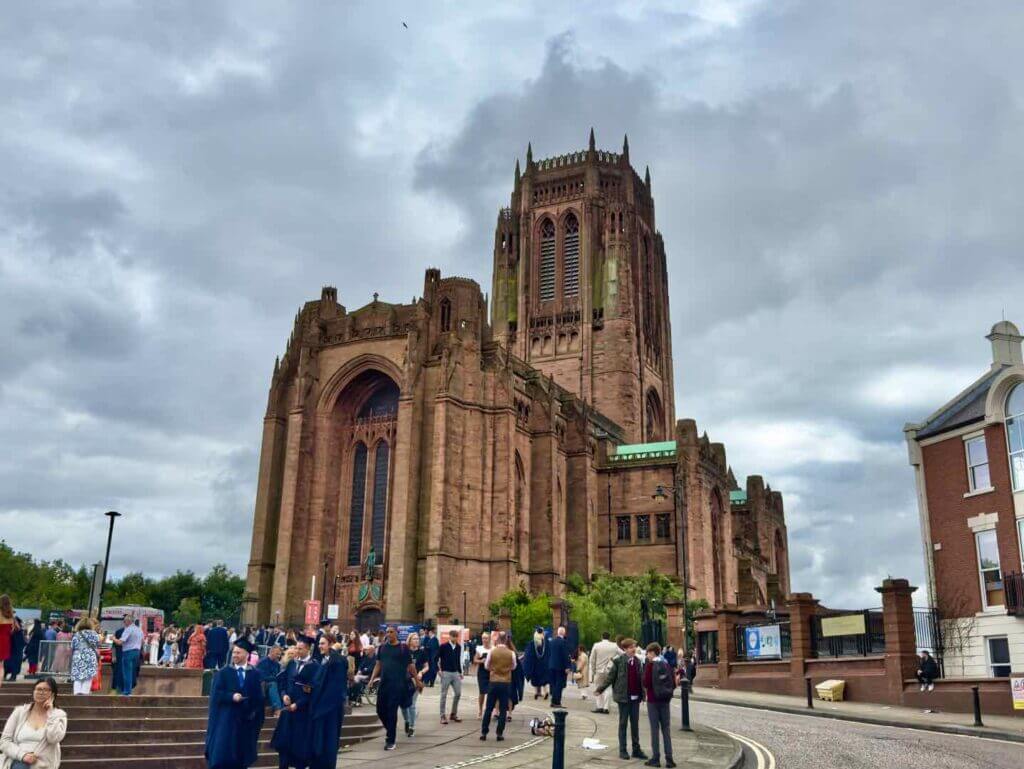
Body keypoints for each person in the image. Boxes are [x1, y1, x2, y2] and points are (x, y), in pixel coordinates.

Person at [205, 638, 265, 769]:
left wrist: (254, 714)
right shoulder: (223, 673)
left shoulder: (255, 674)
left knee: (241, 757)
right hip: (226, 722)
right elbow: (216, 695)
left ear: (246, 654)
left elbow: (259, 699)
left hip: (245, 723)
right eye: (234, 652)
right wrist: (231, 696)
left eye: (238, 653)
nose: (235, 655)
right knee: (223, 757)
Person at [272, 634, 320, 769]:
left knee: (299, 749)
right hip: (288, 712)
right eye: (296, 648)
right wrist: (283, 695)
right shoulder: (292, 663)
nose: (297, 652)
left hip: (302, 714)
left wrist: (298, 704)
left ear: (308, 649)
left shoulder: (314, 667)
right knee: (284, 746)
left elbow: (313, 691)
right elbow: (283, 683)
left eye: (301, 649)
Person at [368, 626, 420, 751]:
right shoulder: (382, 648)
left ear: (396, 633)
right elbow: (378, 664)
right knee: (380, 710)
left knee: (392, 711)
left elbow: (411, 666)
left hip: (398, 685)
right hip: (384, 684)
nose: (389, 634)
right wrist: (371, 679)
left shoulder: (403, 648)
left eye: (391, 632)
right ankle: (391, 729)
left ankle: (390, 740)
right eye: (387, 632)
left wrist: (417, 680)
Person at [596, 638, 648, 762]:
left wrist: (644, 694)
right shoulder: (618, 661)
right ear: (625, 649)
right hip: (623, 698)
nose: (633, 649)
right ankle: (623, 750)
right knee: (623, 723)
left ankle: (636, 749)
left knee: (635, 725)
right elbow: (610, 678)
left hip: (636, 697)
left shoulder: (637, 661)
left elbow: (641, 679)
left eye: (634, 646)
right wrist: (600, 689)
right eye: (630, 647)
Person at [0, 677, 67, 768]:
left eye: (46, 690)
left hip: (43, 764)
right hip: (18, 759)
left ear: (52, 695)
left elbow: (53, 738)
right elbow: (4, 741)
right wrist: (22, 755)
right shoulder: (20, 712)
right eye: (39, 689)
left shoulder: (58, 716)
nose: (41, 692)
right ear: (33, 692)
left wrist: (50, 714)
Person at [310, 636, 348, 769]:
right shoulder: (324, 659)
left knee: (329, 742)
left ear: (330, 644)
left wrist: (320, 707)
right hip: (323, 706)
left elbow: (336, 687)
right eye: (319, 643)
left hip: (330, 708)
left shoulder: (337, 661)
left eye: (323, 643)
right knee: (320, 741)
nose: (320, 646)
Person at [642, 643, 676, 768]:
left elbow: (645, 682)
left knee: (654, 730)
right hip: (665, 701)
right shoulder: (666, 664)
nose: (647, 655)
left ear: (652, 653)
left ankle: (656, 758)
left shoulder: (650, 665)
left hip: (653, 701)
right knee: (666, 730)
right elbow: (673, 682)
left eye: (648, 653)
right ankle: (669, 759)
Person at [480, 631, 516, 742]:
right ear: (506, 640)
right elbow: (514, 666)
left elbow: (486, 666)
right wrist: (506, 669)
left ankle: (484, 732)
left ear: (498, 639)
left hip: (493, 682)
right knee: (503, 710)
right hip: (505, 683)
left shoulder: (492, 651)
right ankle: (499, 733)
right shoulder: (511, 653)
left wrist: (493, 669)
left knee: (489, 708)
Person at [402, 632, 429, 737]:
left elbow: (427, 666)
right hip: (405, 680)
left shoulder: (422, 653)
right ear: (409, 640)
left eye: (418, 639)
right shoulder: (405, 651)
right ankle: (407, 720)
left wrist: (421, 672)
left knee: (412, 705)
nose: (417, 641)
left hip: (416, 681)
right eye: (414, 639)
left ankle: (412, 727)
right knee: (404, 705)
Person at [111, 615, 143, 695]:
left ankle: (127, 691)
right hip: (137, 652)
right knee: (132, 672)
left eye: (124, 621)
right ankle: (130, 689)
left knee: (127, 673)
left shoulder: (128, 629)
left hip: (128, 652)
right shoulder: (139, 630)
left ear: (128, 621)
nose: (124, 623)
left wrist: (113, 638)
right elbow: (143, 641)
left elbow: (120, 642)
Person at [590, 631, 621, 715]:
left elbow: (592, 659)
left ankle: (599, 706)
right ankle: (606, 707)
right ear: (609, 637)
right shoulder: (614, 646)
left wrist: (593, 671)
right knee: (608, 688)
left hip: (599, 670)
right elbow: (622, 654)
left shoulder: (596, 645)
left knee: (598, 687)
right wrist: (614, 659)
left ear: (601, 637)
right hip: (610, 669)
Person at [69, 617, 100, 696]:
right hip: (90, 655)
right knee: (88, 677)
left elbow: (72, 646)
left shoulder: (77, 634)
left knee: (77, 677)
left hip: (78, 655)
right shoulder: (94, 634)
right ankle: (85, 694)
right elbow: (97, 645)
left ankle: (76, 694)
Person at [438, 629, 463, 725]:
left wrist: (460, 672)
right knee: (444, 694)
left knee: (458, 693)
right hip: (446, 672)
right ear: (450, 636)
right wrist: (438, 670)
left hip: (455, 672)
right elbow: (436, 658)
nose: (455, 638)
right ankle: (442, 715)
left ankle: (453, 713)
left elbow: (457, 660)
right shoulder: (443, 646)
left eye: (457, 637)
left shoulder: (458, 647)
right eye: (454, 636)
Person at [522, 627, 549, 700]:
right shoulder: (546, 644)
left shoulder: (532, 644)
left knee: (535, 680)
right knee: (544, 680)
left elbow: (528, 655)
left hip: (535, 665)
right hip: (544, 665)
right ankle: (546, 692)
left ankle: (536, 693)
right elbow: (549, 654)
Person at [547, 626, 571, 708]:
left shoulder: (551, 642)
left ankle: (553, 701)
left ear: (558, 633)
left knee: (553, 684)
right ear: (564, 633)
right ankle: (557, 702)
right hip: (560, 667)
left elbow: (548, 654)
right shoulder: (563, 642)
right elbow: (565, 655)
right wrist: (568, 666)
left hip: (551, 666)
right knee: (559, 685)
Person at [256, 645, 285, 712]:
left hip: (273, 681)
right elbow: (261, 677)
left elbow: (278, 675)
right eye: (277, 654)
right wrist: (275, 678)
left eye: (279, 654)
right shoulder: (262, 662)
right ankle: (278, 709)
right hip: (262, 684)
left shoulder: (277, 664)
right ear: (271, 652)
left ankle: (282, 708)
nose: (278, 656)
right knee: (273, 684)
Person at [474, 631, 492, 719]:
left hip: (492, 672)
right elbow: (475, 660)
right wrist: (481, 661)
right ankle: (480, 710)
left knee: (492, 692)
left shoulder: (493, 649)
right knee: (482, 692)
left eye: (486, 638)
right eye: (483, 638)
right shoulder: (479, 648)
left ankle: (491, 711)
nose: (484, 640)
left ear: (489, 639)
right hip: (482, 673)